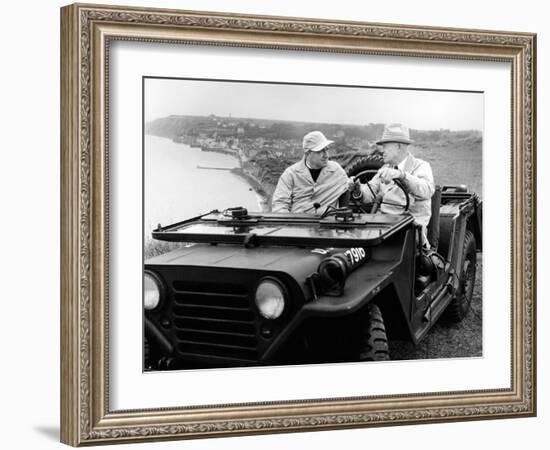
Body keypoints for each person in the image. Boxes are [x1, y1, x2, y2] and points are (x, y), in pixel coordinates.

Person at [352, 123, 435, 245]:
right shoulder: (385, 169)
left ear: (399, 146)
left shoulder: (420, 166)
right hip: (382, 228)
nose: (382, 151)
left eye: (385, 146)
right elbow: (369, 194)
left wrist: (401, 175)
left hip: (410, 233)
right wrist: (357, 189)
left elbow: (427, 190)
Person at [272, 131, 354, 214]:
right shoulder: (290, 174)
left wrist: (358, 191)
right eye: (320, 151)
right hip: (299, 223)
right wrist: (288, 225)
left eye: (326, 150)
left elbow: (353, 190)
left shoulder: (336, 170)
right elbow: (279, 205)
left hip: (327, 223)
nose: (326, 155)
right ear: (308, 153)